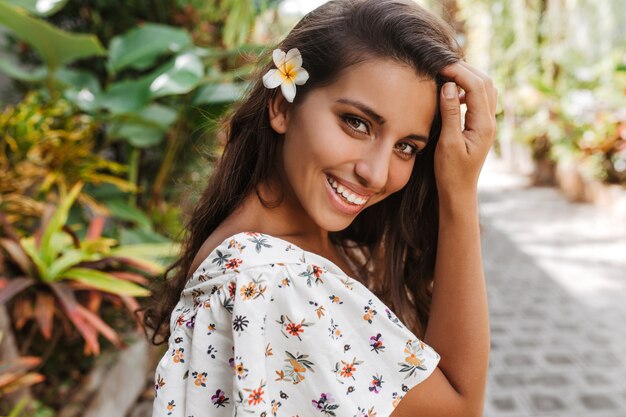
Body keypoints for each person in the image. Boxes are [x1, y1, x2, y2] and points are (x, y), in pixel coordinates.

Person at [145, 0, 496, 415]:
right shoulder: (273, 278)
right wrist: (458, 192)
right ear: (282, 106)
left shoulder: (304, 248)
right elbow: (460, 409)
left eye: (406, 147)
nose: (377, 174)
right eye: (357, 123)